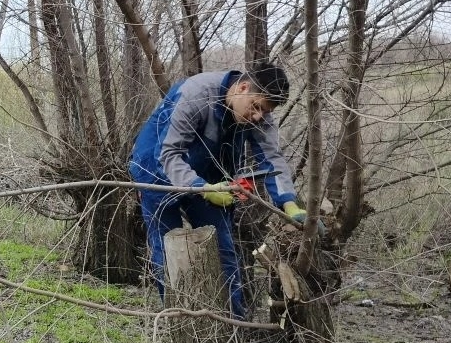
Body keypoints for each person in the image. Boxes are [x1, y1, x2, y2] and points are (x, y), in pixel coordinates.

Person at [129, 66, 320, 320]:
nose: (257, 117)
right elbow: (167, 155)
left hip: (209, 177)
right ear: (242, 87)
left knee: (223, 250)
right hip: (156, 169)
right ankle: (180, 327)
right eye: (255, 106)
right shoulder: (194, 94)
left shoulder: (259, 114)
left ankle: (233, 329)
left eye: (265, 111)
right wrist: (203, 189)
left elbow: (272, 159)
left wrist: (289, 204)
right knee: (166, 248)